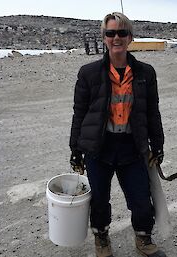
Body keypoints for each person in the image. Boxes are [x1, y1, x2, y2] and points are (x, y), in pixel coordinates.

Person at [69, 12, 166, 257]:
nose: (116, 37)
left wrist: (158, 145)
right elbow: (79, 114)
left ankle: (143, 239)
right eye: (111, 33)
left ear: (130, 37)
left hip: (133, 147)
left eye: (122, 32)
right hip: (99, 148)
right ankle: (102, 239)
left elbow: (152, 112)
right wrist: (75, 150)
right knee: (99, 200)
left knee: (141, 199)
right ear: (104, 37)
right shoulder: (88, 73)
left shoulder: (146, 73)